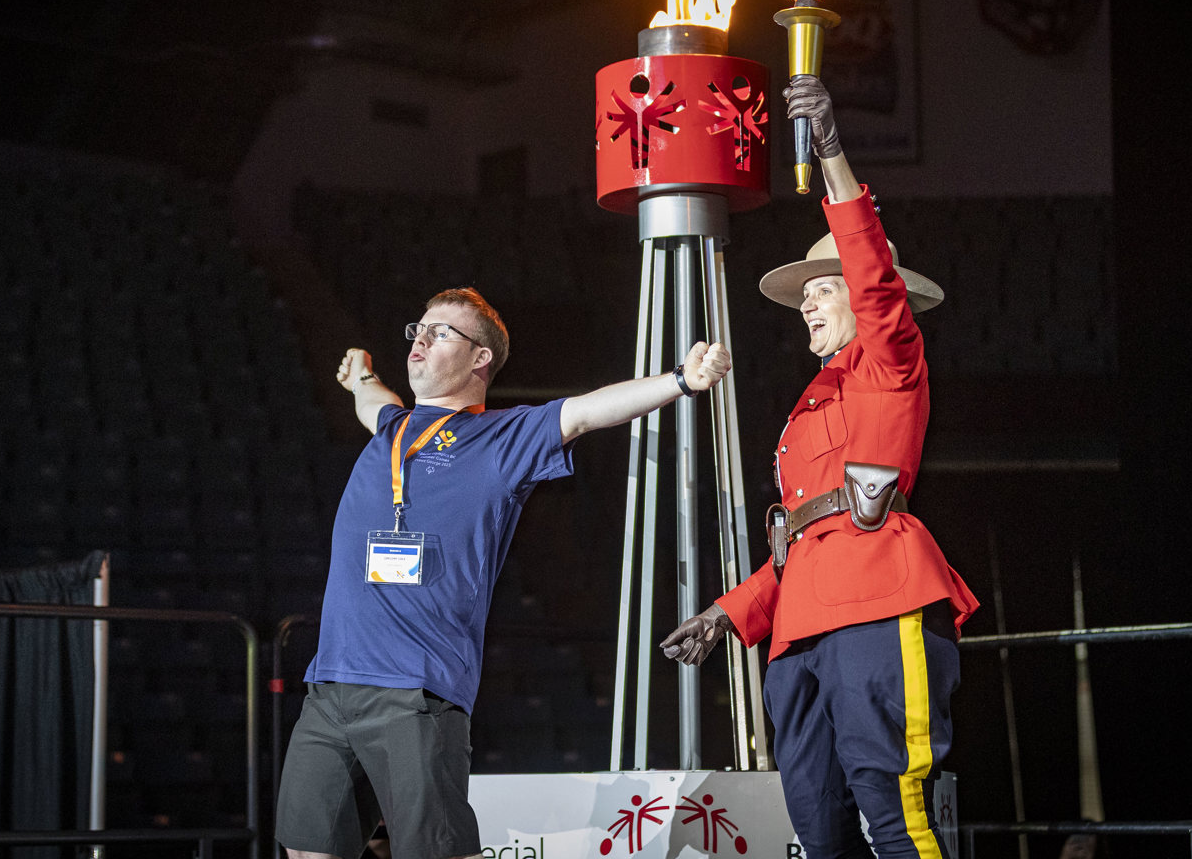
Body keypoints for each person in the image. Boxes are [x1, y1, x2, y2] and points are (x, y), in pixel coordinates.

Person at [276, 286, 731, 859]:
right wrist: (361, 373)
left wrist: (681, 380)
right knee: (308, 850)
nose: (420, 339)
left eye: (440, 332)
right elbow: (373, 400)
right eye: (418, 329)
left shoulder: (502, 438)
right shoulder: (392, 428)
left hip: (416, 690)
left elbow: (585, 412)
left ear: (480, 357)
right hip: (330, 685)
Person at [661, 77, 979, 859]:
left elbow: (875, 283)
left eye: (822, 288)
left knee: (892, 809)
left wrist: (831, 151)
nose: (806, 302)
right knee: (818, 827)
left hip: (877, 601)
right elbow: (806, 538)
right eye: (804, 293)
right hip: (800, 629)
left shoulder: (891, 362)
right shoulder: (814, 398)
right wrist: (728, 613)